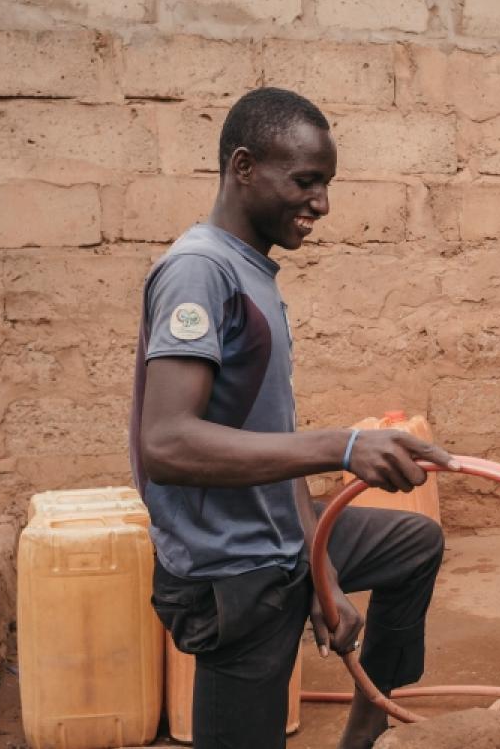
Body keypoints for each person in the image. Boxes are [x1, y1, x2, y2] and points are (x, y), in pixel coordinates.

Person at [130, 87, 455, 749]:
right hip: (234, 570)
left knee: (413, 547)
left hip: (280, 541)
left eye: (327, 184)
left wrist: (322, 567)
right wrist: (343, 446)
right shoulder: (200, 272)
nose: (322, 204)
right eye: (306, 182)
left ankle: (366, 732)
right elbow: (165, 442)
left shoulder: (254, 275)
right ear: (244, 167)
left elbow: (270, 446)